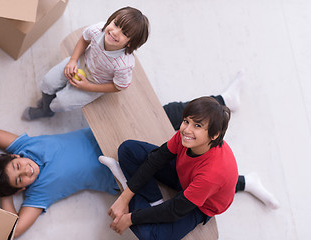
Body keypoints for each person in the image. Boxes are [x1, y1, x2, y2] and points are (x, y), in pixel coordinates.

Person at [99, 71, 280, 239]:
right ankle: (154, 201)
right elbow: (157, 158)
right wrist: (125, 198)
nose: (186, 129)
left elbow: (175, 209)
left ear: (214, 135)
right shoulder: (186, 135)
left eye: (197, 126)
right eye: (186, 121)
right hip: (184, 175)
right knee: (128, 150)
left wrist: (131, 218)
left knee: (150, 235)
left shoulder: (211, 175)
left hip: (201, 205)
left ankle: (126, 181)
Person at [0, 127, 119, 238]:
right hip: (119, 171)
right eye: (19, 179)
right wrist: (5, 192)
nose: (26, 171)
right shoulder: (39, 193)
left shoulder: (25, 147)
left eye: (18, 166)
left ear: (14, 156)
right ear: (20, 189)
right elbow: (15, 229)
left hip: (105, 131)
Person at [22, 6, 149, 120]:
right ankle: (46, 104)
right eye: (115, 24)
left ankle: (47, 110)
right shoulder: (98, 29)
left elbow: (119, 86)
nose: (115, 32)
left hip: (96, 82)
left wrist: (87, 87)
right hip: (81, 62)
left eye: (124, 33)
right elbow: (84, 39)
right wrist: (72, 60)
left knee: (59, 103)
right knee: (48, 82)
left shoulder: (124, 65)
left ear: (130, 43)